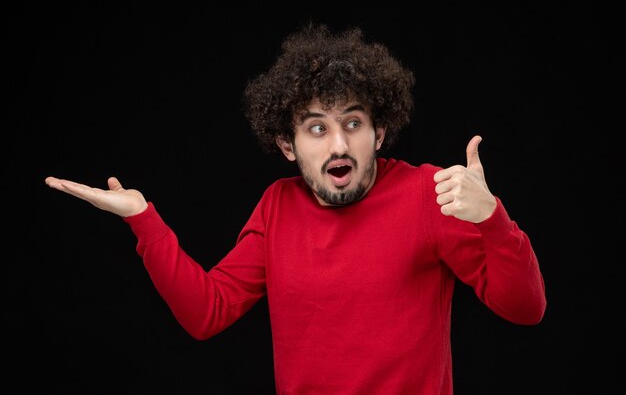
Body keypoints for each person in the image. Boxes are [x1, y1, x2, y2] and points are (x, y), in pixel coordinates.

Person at [44, 22, 547, 395]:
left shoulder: (426, 193)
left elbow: (526, 310)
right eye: (317, 128)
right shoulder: (277, 206)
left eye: (353, 123)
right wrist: (142, 218)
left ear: (380, 132)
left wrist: (491, 218)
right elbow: (207, 312)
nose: (338, 146)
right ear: (288, 145)